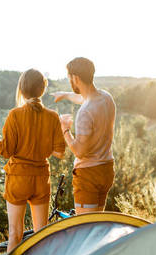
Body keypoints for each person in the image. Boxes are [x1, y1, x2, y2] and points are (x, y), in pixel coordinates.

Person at [0, 69, 66, 252]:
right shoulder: (52, 116)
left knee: (15, 235)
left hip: (18, 178)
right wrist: (39, 146)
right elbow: (60, 152)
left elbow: (6, 151)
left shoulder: (15, 115)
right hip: (41, 178)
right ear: (42, 90)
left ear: (21, 88)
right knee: (41, 235)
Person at [54, 57, 116, 214]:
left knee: (86, 228)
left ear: (75, 78)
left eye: (69, 78)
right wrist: (65, 94)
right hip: (106, 169)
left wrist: (65, 130)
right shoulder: (106, 98)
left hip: (88, 175)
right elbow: (84, 97)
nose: (70, 81)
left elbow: (79, 151)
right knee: (97, 224)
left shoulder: (85, 112)